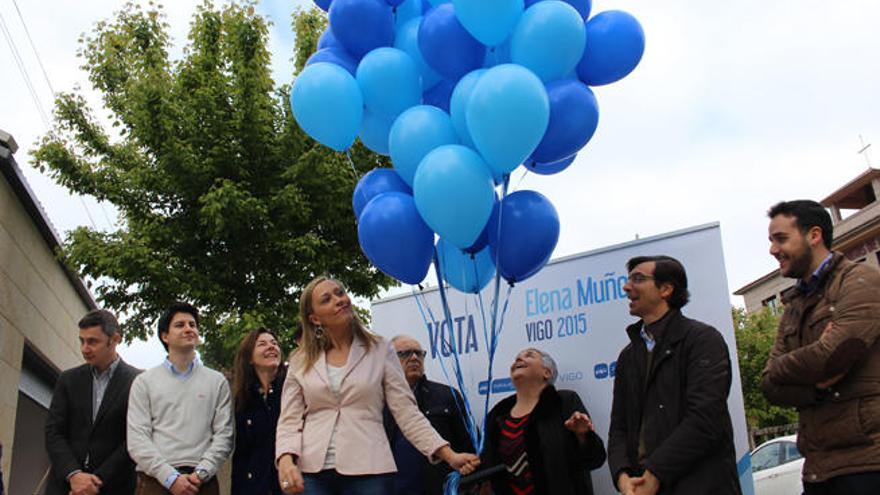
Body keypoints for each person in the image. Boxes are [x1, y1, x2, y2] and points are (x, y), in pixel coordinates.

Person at [275, 276, 480, 494]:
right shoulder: (301, 359)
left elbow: (407, 412)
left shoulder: (380, 349)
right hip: (313, 473)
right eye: (327, 299)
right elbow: (289, 418)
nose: (339, 299)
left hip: (369, 470)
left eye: (340, 292)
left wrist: (448, 454)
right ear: (315, 319)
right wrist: (286, 460)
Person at [761, 200, 880, 494]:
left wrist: (786, 366)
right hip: (817, 468)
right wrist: (817, 387)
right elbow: (769, 385)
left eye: (781, 239)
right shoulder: (793, 305)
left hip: (867, 465)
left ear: (814, 235)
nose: (773, 250)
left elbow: (834, 355)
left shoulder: (860, 281)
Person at [607, 255, 740, 495]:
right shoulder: (628, 356)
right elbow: (619, 428)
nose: (627, 287)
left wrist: (656, 472)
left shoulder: (702, 340)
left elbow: (705, 418)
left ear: (666, 289)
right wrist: (622, 476)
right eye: (627, 280)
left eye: (638, 279)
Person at [127, 302, 234, 495]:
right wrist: (170, 478)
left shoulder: (217, 382)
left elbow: (224, 436)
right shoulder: (144, 382)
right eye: (180, 325)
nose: (188, 329)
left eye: (192, 325)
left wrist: (201, 473)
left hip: (202, 482)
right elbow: (137, 439)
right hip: (155, 481)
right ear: (164, 336)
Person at [479, 348, 606, 495]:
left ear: (547, 372)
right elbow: (488, 471)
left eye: (529, 355)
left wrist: (583, 436)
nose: (519, 360)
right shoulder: (497, 416)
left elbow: (595, 459)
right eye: (516, 359)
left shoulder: (563, 402)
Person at [44, 309, 140, 495]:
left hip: (113, 487)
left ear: (114, 340)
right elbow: (53, 431)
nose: (84, 349)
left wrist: (96, 482)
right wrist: (74, 475)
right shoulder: (68, 380)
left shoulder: (139, 382)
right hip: (66, 485)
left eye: (92, 341)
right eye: (82, 341)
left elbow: (134, 439)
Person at [383, 335, 474, 495]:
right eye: (405, 353)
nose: (414, 357)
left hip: (438, 487)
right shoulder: (376, 399)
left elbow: (466, 443)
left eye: (419, 353)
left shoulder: (447, 395)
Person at [232, 327, 287, 495]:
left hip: (289, 484)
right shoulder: (244, 399)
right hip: (254, 486)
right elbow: (242, 453)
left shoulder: (292, 390)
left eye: (274, 343)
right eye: (262, 344)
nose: (271, 347)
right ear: (249, 358)